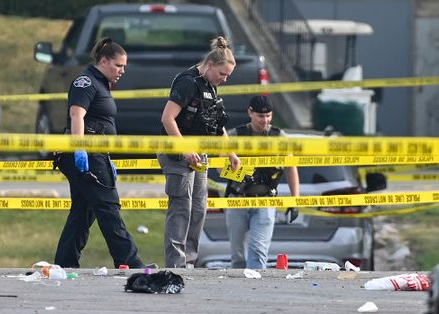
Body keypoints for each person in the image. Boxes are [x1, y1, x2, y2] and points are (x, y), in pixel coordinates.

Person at [54, 37, 146, 269]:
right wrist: (80, 149)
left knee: (83, 212)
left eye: (124, 66)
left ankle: (65, 263)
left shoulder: (101, 83)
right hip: (88, 153)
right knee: (108, 206)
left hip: (97, 154)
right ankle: (131, 262)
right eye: (119, 65)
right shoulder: (86, 81)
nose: (122, 71)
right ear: (103, 61)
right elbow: (77, 115)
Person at [158, 36, 240, 269]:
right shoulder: (187, 82)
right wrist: (185, 150)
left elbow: (216, 124)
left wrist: (230, 153)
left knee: (199, 209)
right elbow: (167, 118)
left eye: (227, 76)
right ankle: (176, 265)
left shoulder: (210, 86)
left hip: (200, 155)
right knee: (181, 207)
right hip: (177, 153)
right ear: (210, 65)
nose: (224, 80)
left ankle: (190, 262)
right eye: (222, 74)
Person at [225, 95, 300, 269]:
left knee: (258, 252)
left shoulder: (279, 137)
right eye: (260, 116)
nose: (264, 120)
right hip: (238, 198)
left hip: (265, 200)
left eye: (268, 116)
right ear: (250, 112)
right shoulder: (236, 135)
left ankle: (255, 289)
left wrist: (294, 200)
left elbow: (291, 168)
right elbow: (220, 167)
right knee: (237, 255)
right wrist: (243, 174)